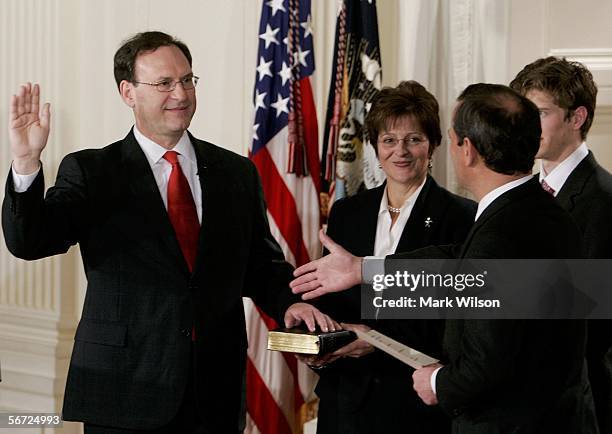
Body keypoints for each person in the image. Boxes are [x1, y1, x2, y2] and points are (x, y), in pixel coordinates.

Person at [2, 31, 337, 434]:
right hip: (125, 390)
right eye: (164, 83)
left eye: (187, 79)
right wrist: (25, 162)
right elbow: (30, 241)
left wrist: (287, 302)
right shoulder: (92, 171)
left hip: (214, 392)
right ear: (128, 92)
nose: (180, 93)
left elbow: (258, 263)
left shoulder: (236, 172)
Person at [291, 84, 598, 433]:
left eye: (449, 139)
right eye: (388, 140)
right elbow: (459, 267)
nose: (401, 150)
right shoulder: (544, 213)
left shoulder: (500, 231)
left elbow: (489, 356)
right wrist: (362, 268)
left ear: (465, 149)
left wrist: (437, 382)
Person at [310, 81, 476, 434]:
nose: (400, 151)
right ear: (375, 146)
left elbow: (455, 317)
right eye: (388, 140)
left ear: (432, 145)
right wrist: (320, 343)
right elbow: (333, 301)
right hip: (347, 398)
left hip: (416, 401)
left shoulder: (462, 217)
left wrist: (375, 341)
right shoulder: (346, 212)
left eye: (414, 139)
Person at [510, 56, 612, 433]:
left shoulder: (603, 199)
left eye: (539, 113)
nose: (526, 126)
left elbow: (589, 325)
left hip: (575, 408)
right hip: (525, 403)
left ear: (577, 117)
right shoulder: (523, 194)